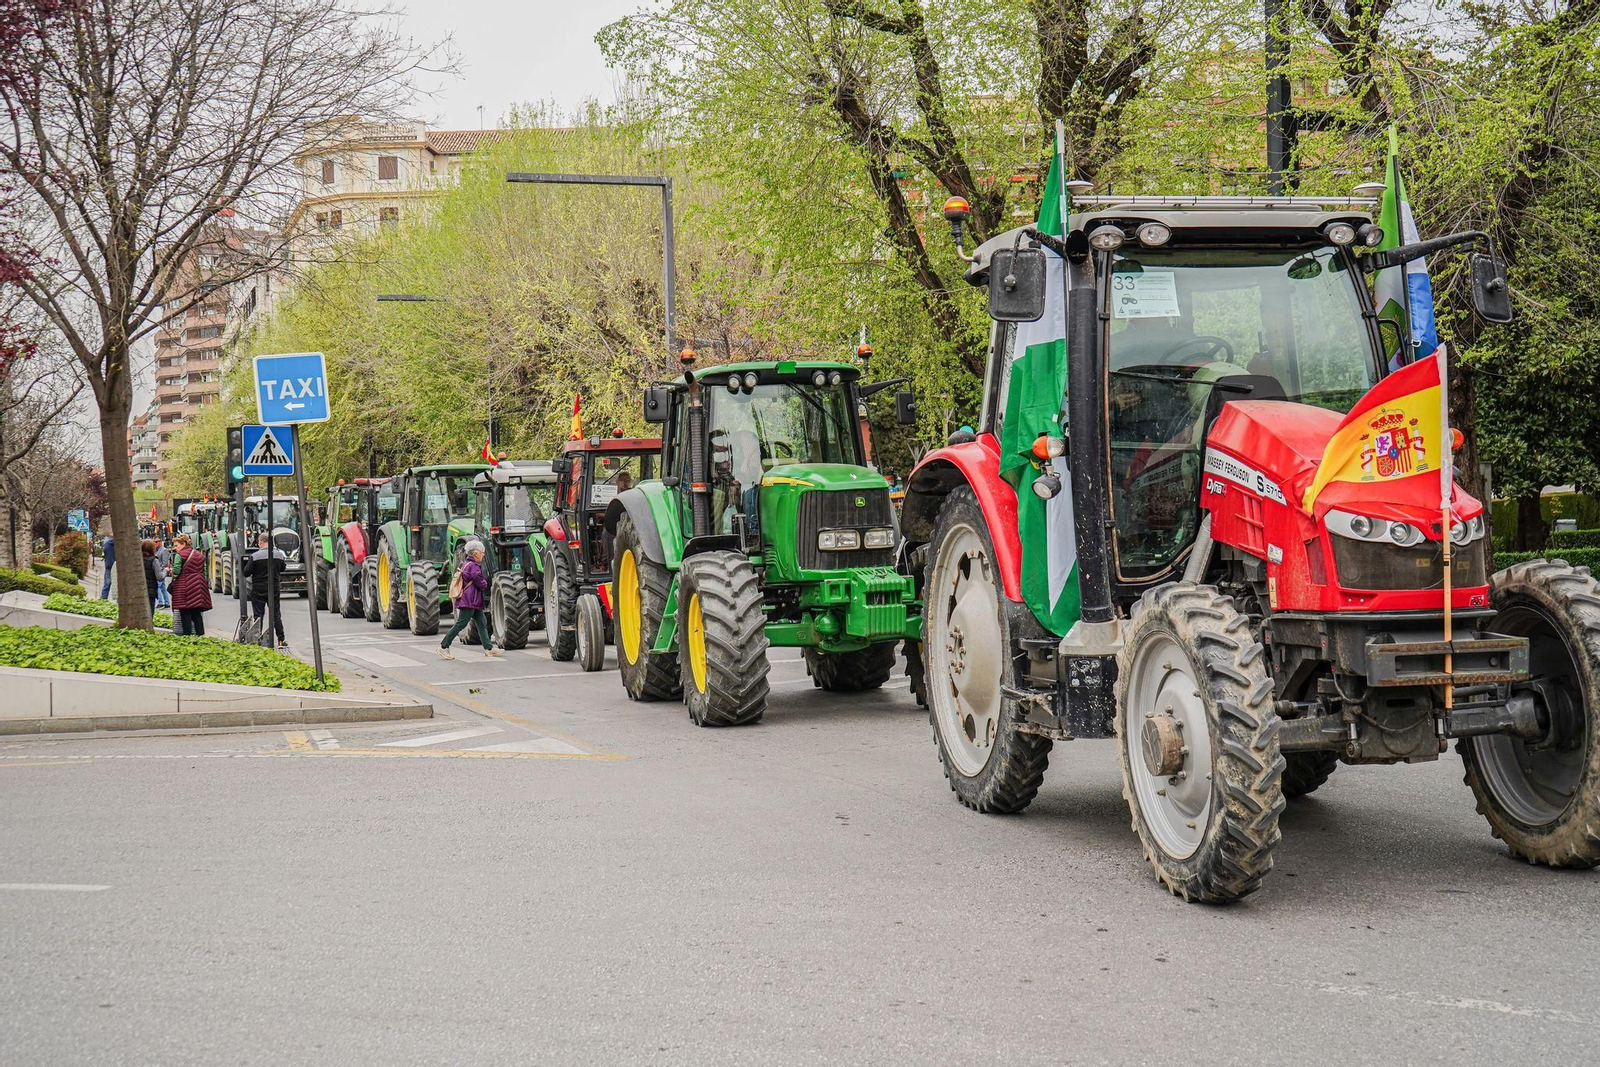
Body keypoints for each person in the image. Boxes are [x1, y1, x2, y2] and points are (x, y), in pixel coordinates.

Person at [439, 539, 501, 659]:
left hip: (473, 601)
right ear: (475, 553)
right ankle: (443, 646)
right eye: (482, 552)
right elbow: (479, 581)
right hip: (469, 601)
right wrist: (485, 583)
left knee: (482, 623)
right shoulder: (473, 566)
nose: (483, 554)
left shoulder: (467, 563)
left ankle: (489, 649)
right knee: (460, 624)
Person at [244, 532, 288, 648]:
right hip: (273, 588)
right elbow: (283, 568)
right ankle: (280, 640)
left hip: (258, 588)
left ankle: (257, 639)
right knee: (276, 615)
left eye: (259, 542)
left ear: (261, 542)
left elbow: (246, 572)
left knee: (258, 615)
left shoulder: (255, 556)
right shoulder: (279, 555)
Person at [168, 534, 212, 636]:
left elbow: (177, 571)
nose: (175, 548)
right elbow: (204, 570)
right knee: (196, 612)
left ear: (184, 544)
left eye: (176, 545)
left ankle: (187, 636)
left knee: (185, 611)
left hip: (184, 587)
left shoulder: (180, 555)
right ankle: (200, 635)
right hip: (198, 586)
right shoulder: (198, 554)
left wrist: (172, 571)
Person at [140, 539, 161, 617]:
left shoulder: (138, 559)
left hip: (139, 590)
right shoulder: (154, 560)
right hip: (151, 591)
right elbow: (160, 577)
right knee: (150, 614)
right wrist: (166, 571)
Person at [154, 540, 173, 610]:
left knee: (158, 587)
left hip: (161, 571)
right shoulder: (157, 550)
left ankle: (161, 602)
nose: (154, 543)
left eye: (156, 542)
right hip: (159, 571)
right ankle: (167, 602)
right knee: (162, 587)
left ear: (159, 542)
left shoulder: (164, 550)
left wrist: (161, 570)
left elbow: (165, 563)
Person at [99, 533, 116, 600]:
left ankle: (103, 599)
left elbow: (104, 553)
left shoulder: (107, 544)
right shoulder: (120, 545)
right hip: (117, 566)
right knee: (119, 585)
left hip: (109, 566)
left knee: (107, 584)